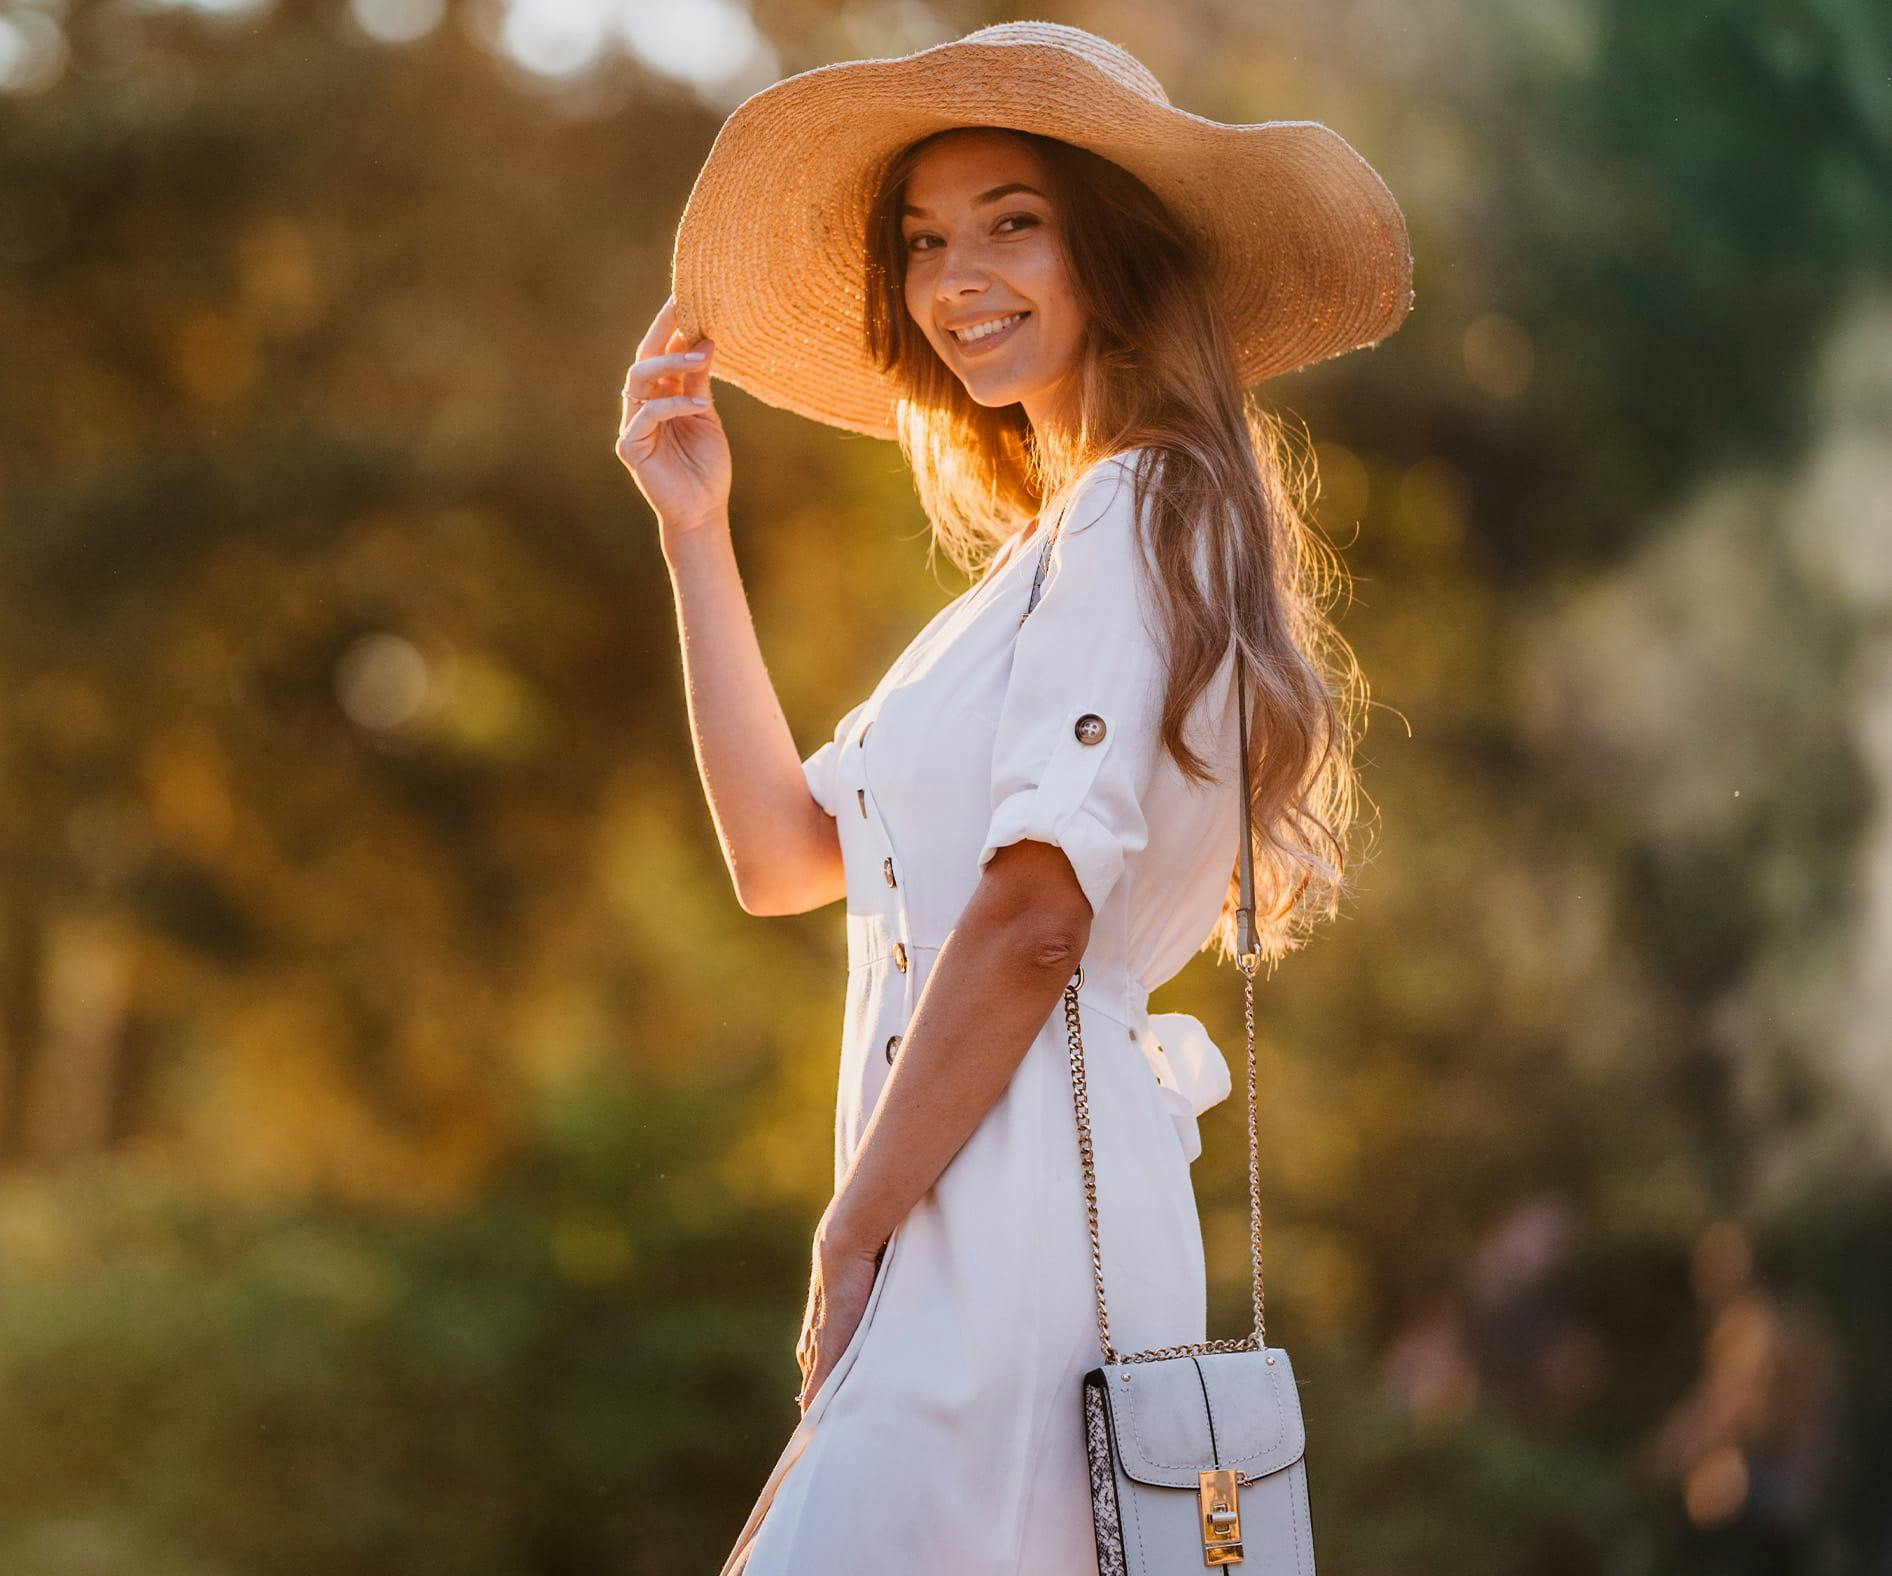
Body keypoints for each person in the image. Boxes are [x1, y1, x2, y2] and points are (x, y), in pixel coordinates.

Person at [615, 22, 1412, 1574]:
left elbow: (1038, 917)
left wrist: (857, 1228)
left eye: (1011, 221)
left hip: (1018, 1216)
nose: (955, 273)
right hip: (984, 1196)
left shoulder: (1138, 509)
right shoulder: (1043, 569)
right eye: (922, 241)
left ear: (1110, 250)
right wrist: (694, 536)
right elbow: (783, 858)